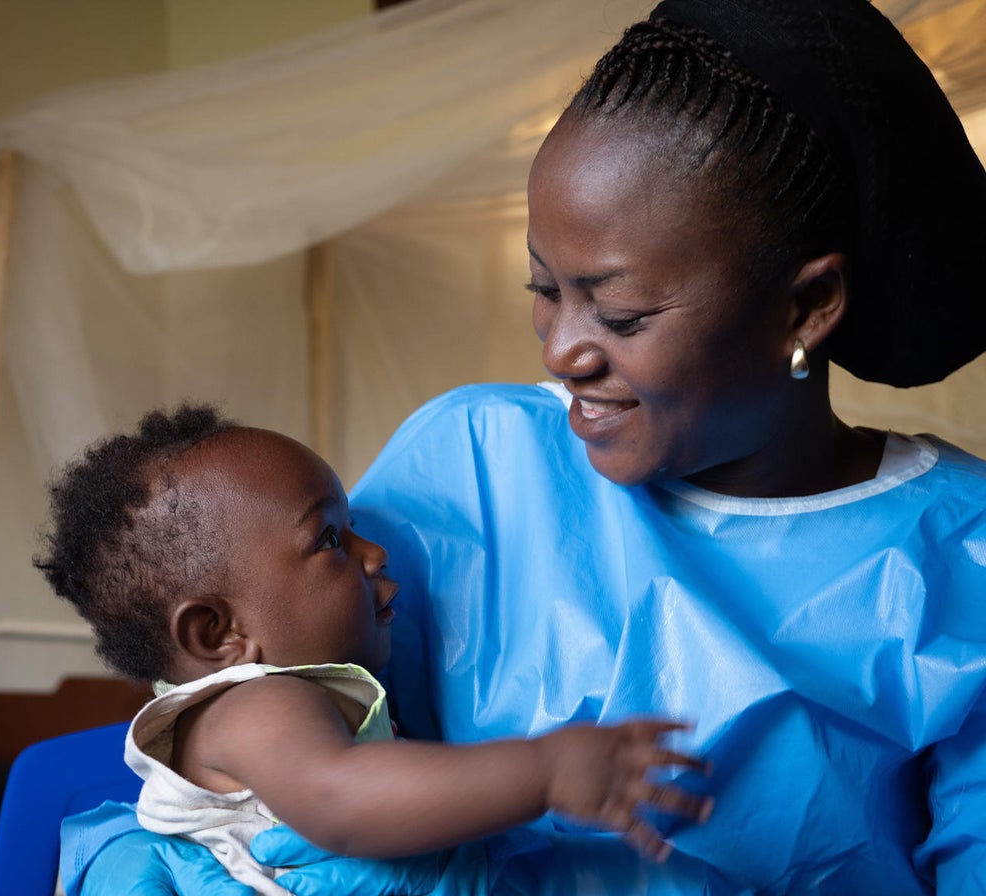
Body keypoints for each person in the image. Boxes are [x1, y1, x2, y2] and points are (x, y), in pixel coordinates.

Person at [58, 0, 986, 892]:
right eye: (545, 289)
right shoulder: (471, 463)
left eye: (619, 313)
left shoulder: (962, 558)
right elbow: (255, 727)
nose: (561, 351)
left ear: (806, 306)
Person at [37, 404, 713, 896]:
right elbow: (336, 799)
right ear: (219, 634)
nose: (375, 552)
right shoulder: (260, 702)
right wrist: (544, 772)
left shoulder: (283, 696)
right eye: (330, 540)